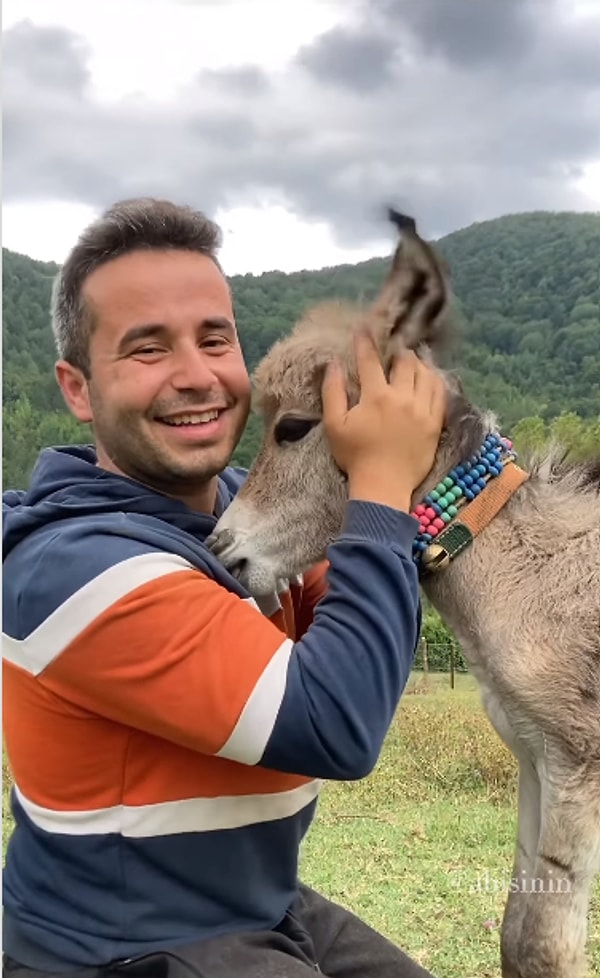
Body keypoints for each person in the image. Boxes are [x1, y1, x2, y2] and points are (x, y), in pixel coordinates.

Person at [2, 197, 446, 978]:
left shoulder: (242, 510)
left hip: (257, 904)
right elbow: (337, 721)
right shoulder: (75, 571)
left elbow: (371, 636)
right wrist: (382, 481)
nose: (197, 375)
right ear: (78, 389)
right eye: (147, 349)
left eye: (215, 338)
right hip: (128, 946)